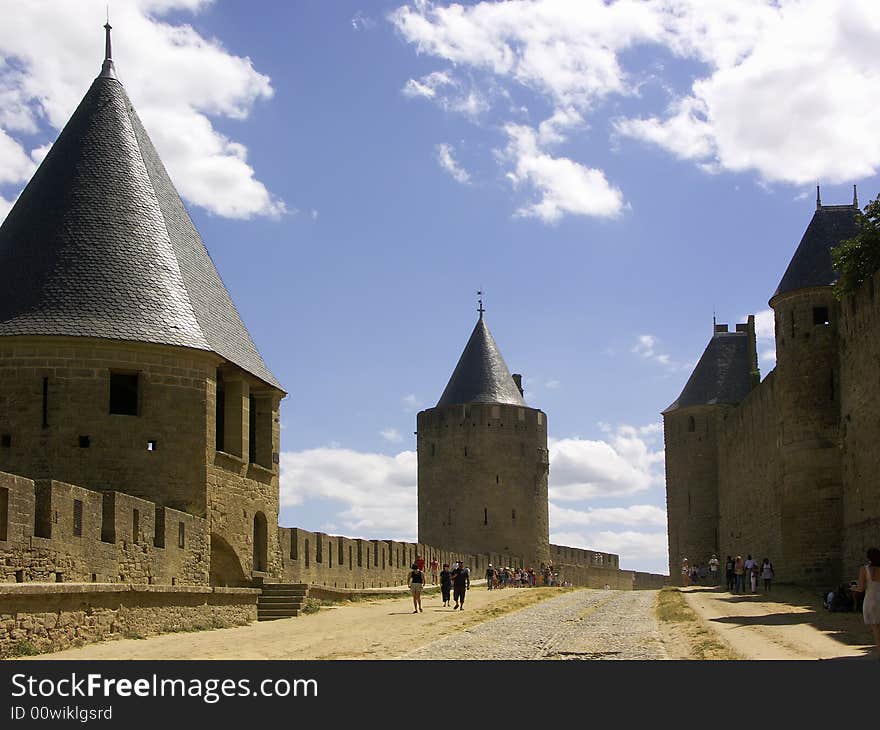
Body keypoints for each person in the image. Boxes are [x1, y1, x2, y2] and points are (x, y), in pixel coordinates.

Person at [852, 547, 880, 660]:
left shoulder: (864, 569)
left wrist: (853, 587)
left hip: (872, 599)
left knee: (876, 628)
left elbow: (861, 588)